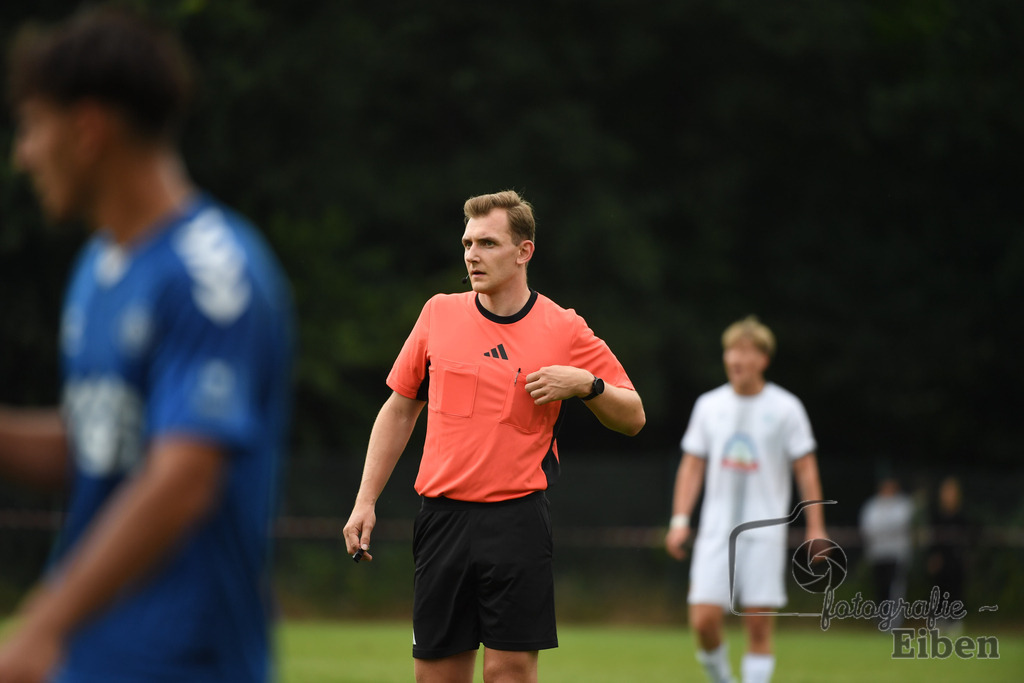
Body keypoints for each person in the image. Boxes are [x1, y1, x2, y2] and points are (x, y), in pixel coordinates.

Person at [0, 9, 294, 682]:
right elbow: (101, 443)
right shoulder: (101, 267)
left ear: (87, 130)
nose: (24, 153)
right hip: (94, 657)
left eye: (32, 126)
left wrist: (43, 622)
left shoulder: (211, 274)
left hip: (186, 661)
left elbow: (183, 478)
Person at [343, 189, 645, 683]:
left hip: (518, 521)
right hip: (442, 520)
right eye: (466, 243)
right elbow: (399, 410)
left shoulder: (564, 328)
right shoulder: (438, 313)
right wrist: (364, 501)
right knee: (437, 678)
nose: (471, 255)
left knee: (509, 675)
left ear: (523, 251)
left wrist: (585, 385)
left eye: (487, 243)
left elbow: (633, 416)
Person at [664, 316, 826, 683]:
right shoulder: (709, 405)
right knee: (703, 621)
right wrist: (679, 521)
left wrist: (816, 525)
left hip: (763, 533)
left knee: (758, 627)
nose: (735, 358)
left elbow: (806, 470)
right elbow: (691, 467)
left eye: (745, 351)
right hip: (715, 533)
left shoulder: (786, 408)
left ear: (763, 359)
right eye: (730, 350)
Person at [859, 475, 914, 625]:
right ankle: (882, 620)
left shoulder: (903, 504)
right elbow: (868, 527)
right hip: (877, 554)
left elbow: (899, 523)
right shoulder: (872, 505)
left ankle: (894, 621)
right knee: (880, 588)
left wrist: (883, 528)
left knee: (895, 589)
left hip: (896, 554)